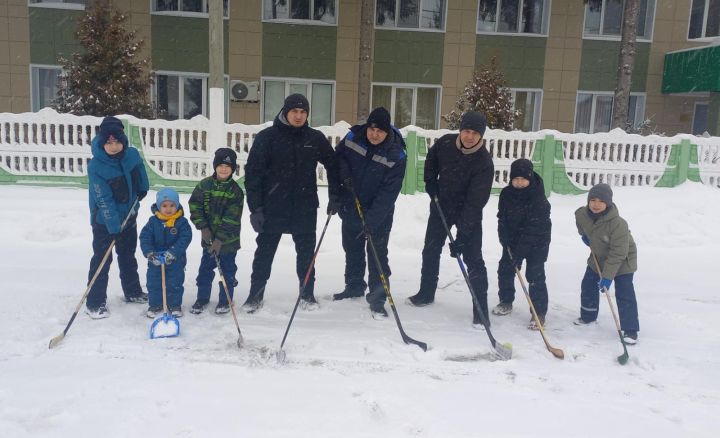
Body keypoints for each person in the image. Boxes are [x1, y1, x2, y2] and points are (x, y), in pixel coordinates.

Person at [242, 93, 340, 313]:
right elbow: (253, 174)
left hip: (304, 206)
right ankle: (255, 295)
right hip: (272, 206)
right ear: (285, 112)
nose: (298, 116)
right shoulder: (267, 137)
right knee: (264, 253)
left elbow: (334, 165)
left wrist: (335, 195)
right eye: (294, 111)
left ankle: (307, 294)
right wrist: (255, 208)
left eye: (303, 112)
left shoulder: (314, 138)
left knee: (306, 255)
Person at [406, 111, 495, 327]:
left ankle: (480, 310)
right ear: (460, 130)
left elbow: (476, 202)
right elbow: (431, 160)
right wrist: (430, 182)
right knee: (431, 249)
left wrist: (462, 235)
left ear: (481, 136)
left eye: (475, 133)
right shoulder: (445, 143)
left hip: (468, 212)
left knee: (473, 259)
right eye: (466, 131)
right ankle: (426, 293)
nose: (469, 136)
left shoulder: (484, 162)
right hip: (441, 205)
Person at [332, 107, 407, 318]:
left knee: (377, 253)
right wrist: (341, 183)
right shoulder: (353, 136)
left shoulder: (396, 154)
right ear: (367, 127)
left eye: (380, 131)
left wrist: (372, 221)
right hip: (352, 202)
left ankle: (378, 297)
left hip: (379, 212)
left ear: (387, 132)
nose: (375, 135)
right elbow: (338, 159)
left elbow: (389, 193)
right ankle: (354, 285)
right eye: (372, 129)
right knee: (352, 247)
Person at [85, 116, 149, 319]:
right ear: (102, 142)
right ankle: (94, 302)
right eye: (109, 143)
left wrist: (142, 189)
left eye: (117, 142)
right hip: (105, 222)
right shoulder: (96, 166)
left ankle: (132, 292)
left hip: (129, 215)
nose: (113, 147)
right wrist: (113, 225)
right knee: (102, 260)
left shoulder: (132, 155)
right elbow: (102, 199)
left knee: (128, 255)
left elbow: (140, 173)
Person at [575, 183, 640, 344]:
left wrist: (607, 277)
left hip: (623, 260)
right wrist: (584, 235)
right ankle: (588, 316)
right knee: (588, 284)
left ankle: (630, 330)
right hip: (598, 256)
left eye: (601, 201)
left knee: (624, 293)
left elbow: (618, 253)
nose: (596, 204)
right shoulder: (583, 214)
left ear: (608, 203)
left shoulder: (618, 224)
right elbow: (580, 222)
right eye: (593, 200)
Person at [493, 159, 552, 330]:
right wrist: (503, 237)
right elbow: (501, 218)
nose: (519, 183)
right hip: (512, 240)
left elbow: (534, 228)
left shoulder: (539, 198)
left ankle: (538, 312)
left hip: (537, 241)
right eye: (515, 179)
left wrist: (519, 253)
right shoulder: (506, 194)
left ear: (530, 178)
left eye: (523, 179)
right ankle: (506, 301)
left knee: (535, 276)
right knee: (505, 269)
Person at [188, 148, 244, 315]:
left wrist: (220, 240)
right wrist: (203, 228)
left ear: (233, 168)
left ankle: (225, 300)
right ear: (215, 166)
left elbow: (231, 219)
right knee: (205, 270)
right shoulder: (204, 186)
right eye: (220, 165)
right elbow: (195, 206)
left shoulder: (235, 191)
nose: (223, 169)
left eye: (227, 166)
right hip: (208, 240)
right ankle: (202, 298)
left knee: (227, 271)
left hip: (228, 243)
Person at [139, 188, 193, 318]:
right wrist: (150, 253)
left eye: (172, 205)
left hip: (175, 260)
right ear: (159, 206)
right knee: (154, 282)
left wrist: (173, 252)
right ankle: (155, 304)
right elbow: (145, 237)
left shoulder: (182, 222)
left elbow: (185, 238)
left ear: (177, 205)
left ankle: (174, 305)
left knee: (175, 283)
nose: (168, 209)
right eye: (164, 206)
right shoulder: (153, 222)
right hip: (156, 259)